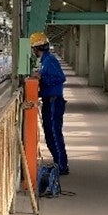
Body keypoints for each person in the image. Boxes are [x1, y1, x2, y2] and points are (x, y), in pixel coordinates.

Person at [29, 31, 69, 175]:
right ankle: (58, 162)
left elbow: (60, 78)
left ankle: (62, 166)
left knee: (54, 133)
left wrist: (41, 78)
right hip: (49, 100)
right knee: (49, 133)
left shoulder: (49, 60)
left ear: (36, 48)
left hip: (54, 102)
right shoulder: (45, 61)